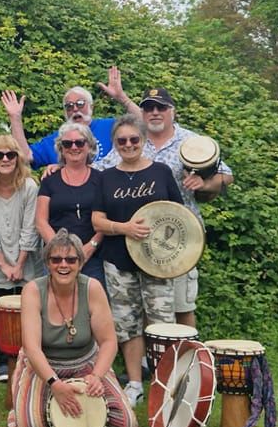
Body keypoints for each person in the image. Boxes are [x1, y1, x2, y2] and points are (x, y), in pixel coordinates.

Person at [96, 87, 234, 328]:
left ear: (173, 111)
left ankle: (186, 362)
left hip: (179, 239)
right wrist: (63, 167)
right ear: (142, 113)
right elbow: (100, 170)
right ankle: (150, 363)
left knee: (181, 307)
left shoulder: (191, 141)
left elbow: (227, 175)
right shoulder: (134, 141)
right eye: (149, 108)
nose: (155, 112)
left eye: (161, 107)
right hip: (141, 240)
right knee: (153, 307)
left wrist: (205, 182)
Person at [8, 230, 137, 427]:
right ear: (48, 263)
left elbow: (109, 341)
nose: (63, 265)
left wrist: (96, 376)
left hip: (86, 364)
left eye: (71, 259)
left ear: (80, 262)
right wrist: (55, 384)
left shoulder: (92, 288)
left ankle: (53, 407)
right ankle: (26, 401)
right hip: (45, 367)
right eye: (56, 259)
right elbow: (31, 347)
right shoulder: (33, 290)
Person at [91, 114, 183, 407]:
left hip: (159, 262)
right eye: (122, 140)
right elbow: (97, 220)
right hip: (118, 260)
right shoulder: (105, 177)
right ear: (115, 144)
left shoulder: (161, 172)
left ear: (143, 141)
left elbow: (178, 216)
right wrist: (125, 228)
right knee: (126, 324)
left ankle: (166, 384)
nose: (128, 145)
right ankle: (134, 384)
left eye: (134, 139)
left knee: (163, 324)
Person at [0, 135, 41, 382]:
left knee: (29, 308)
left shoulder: (30, 187)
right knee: (1, 309)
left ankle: (30, 356)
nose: (5, 159)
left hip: (28, 259)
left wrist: (20, 263)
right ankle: (3, 360)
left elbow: (30, 227)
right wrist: (3, 264)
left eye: (10, 154)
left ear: (18, 158)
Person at [0, 66, 140, 167]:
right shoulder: (56, 140)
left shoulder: (110, 126)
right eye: (69, 106)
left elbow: (142, 123)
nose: (74, 109)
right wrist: (15, 118)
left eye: (80, 104)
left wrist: (122, 98)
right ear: (64, 112)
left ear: (91, 107)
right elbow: (25, 156)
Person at [35, 122, 106, 291]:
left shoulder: (102, 179)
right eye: (67, 143)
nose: (74, 147)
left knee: (93, 307)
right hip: (57, 258)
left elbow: (108, 217)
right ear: (61, 148)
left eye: (79, 143)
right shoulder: (49, 180)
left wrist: (90, 247)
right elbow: (40, 221)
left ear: (89, 146)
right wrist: (60, 250)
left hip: (93, 256)